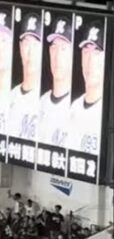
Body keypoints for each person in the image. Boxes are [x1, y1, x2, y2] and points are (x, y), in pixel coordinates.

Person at [39, 13, 73, 148]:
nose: (57, 55)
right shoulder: (40, 102)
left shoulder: (77, 107)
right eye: (54, 47)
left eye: (63, 48)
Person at [70, 21, 104, 154]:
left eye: (96, 53)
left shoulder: (107, 113)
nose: (90, 61)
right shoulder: (74, 107)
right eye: (85, 52)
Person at [9, 8, 42, 141]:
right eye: (26, 43)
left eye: (35, 44)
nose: (30, 52)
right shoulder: (10, 96)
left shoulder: (46, 100)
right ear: (20, 46)